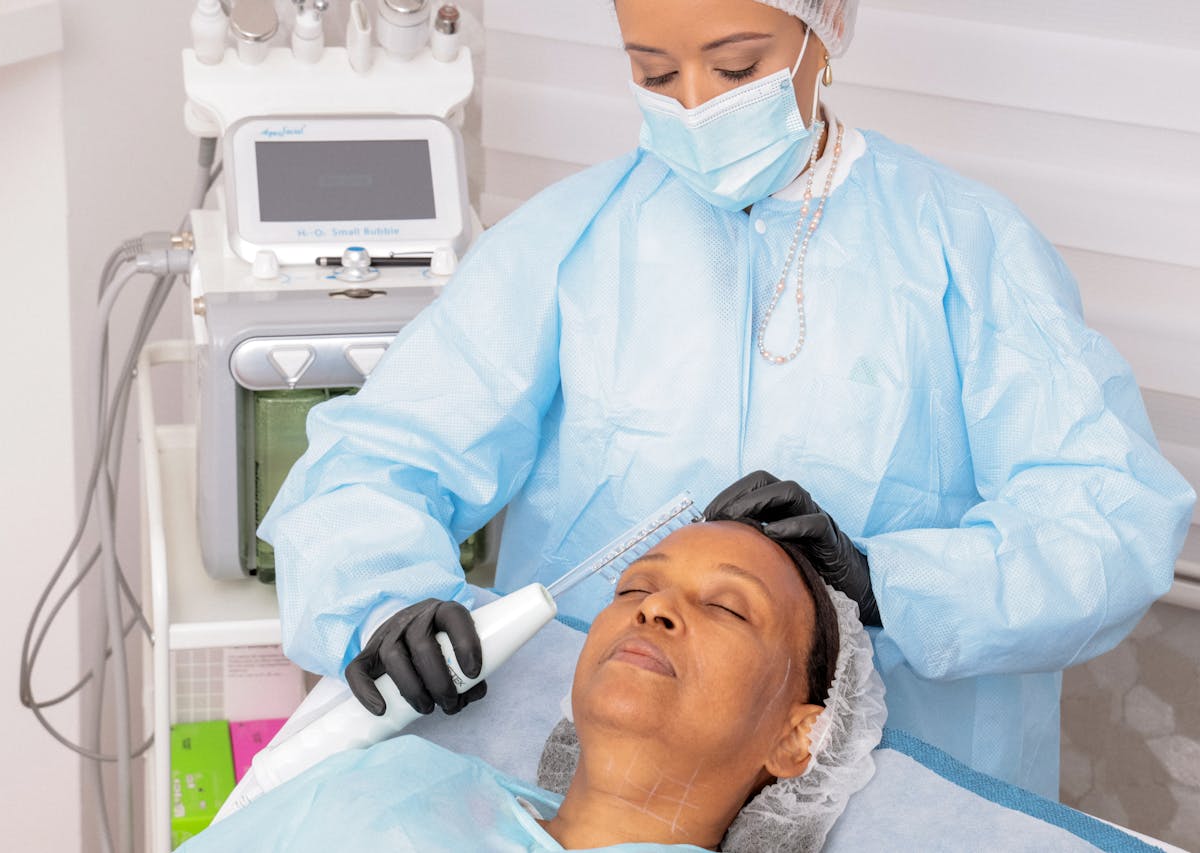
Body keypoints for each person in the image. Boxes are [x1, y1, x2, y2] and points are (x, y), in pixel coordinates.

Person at [258, 0, 1196, 796]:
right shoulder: (566, 242)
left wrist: (885, 584)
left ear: (822, 32)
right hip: (597, 773)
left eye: (736, 66)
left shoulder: (965, 248)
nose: (698, 107)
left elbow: (1110, 521)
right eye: (655, 74)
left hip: (899, 787)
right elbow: (375, 461)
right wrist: (384, 602)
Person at [182, 520, 877, 852]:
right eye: (634, 584)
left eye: (727, 606)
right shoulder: (402, 774)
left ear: (797, 736)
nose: (652, 607)